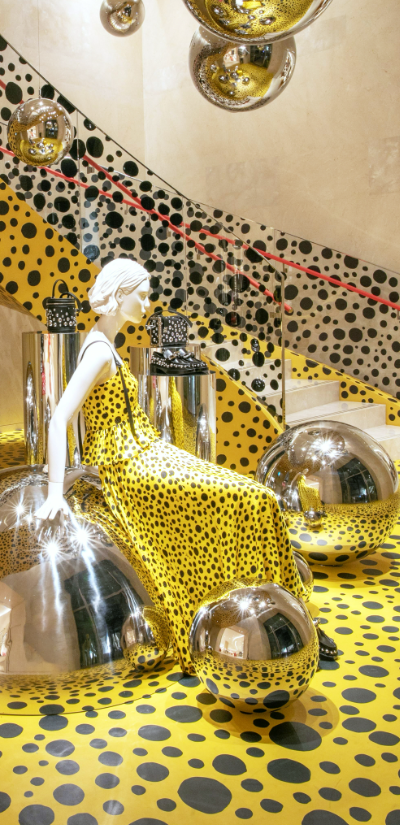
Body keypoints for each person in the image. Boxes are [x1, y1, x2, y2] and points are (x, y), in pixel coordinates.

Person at [35, 256, 324, 672]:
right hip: (128, 465)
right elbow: (59, 416)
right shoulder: (97, 352)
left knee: (253, 496)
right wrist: (54, 492)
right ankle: (275, 617)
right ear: (119, 295)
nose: (147, 303)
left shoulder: (104, 342)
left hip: (146, 450)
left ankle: (284, 613)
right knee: (253, 497)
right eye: (141, 295)